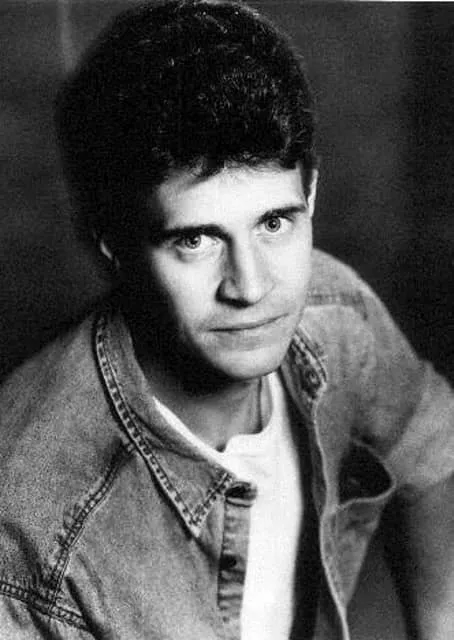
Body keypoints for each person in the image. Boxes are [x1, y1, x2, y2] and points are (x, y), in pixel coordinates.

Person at [0, 1, 453, 638]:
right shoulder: (33, 533)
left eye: (274, 223)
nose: (252, 287)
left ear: (311, 194)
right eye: (195, 240)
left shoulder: (335, 312)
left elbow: (433, 447)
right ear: (115, 244)